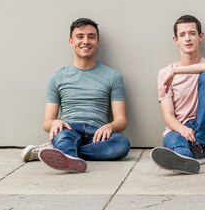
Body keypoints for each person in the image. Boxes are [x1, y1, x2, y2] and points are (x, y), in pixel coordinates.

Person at [21, 18, 130, 172]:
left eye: (91, 37)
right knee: (65, 137)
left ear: (97, 42)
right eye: (80, 37)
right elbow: (47, 122)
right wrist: (55, 123)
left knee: (121, 145)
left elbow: (121, 120)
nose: (86, 41)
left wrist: (110, 126)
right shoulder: (57, 78)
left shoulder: (113, 76)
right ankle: (65, 152)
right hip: (68, 129)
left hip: (96, 133)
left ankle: (62, 153)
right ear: (71, 41)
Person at [150, 15, 205, 175]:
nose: (188, 39)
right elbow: (168, 116)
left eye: (192, 33)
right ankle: (184, 158)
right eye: (182, 35)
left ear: (200, 36)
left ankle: (199, 144)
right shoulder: (163, 73)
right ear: (176, 40)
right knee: (173, 138)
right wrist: (182, 129)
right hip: (179, 129)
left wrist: (175, 71)